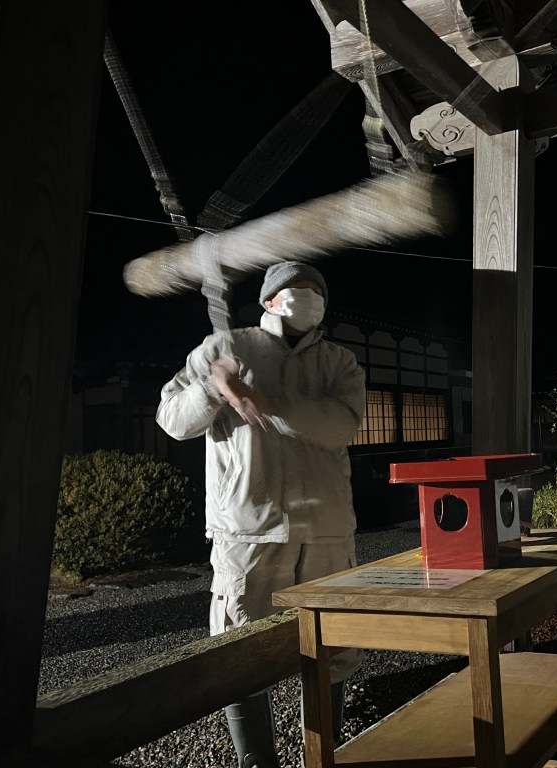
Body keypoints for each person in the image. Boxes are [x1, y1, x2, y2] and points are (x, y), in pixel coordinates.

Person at [156, 261, 365, 768]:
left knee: (333, 642)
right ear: (269, 300)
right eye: (295, 290)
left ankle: (324, 752)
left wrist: (261, 399)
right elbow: (172, 420)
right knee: (241, 644)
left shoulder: (340, 361)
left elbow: (342, 426)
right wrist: (212, 385)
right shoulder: (225, 347)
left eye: (316, 290)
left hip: (327, 528)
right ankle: (257, 761)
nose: (307, 297)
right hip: (248, 527)